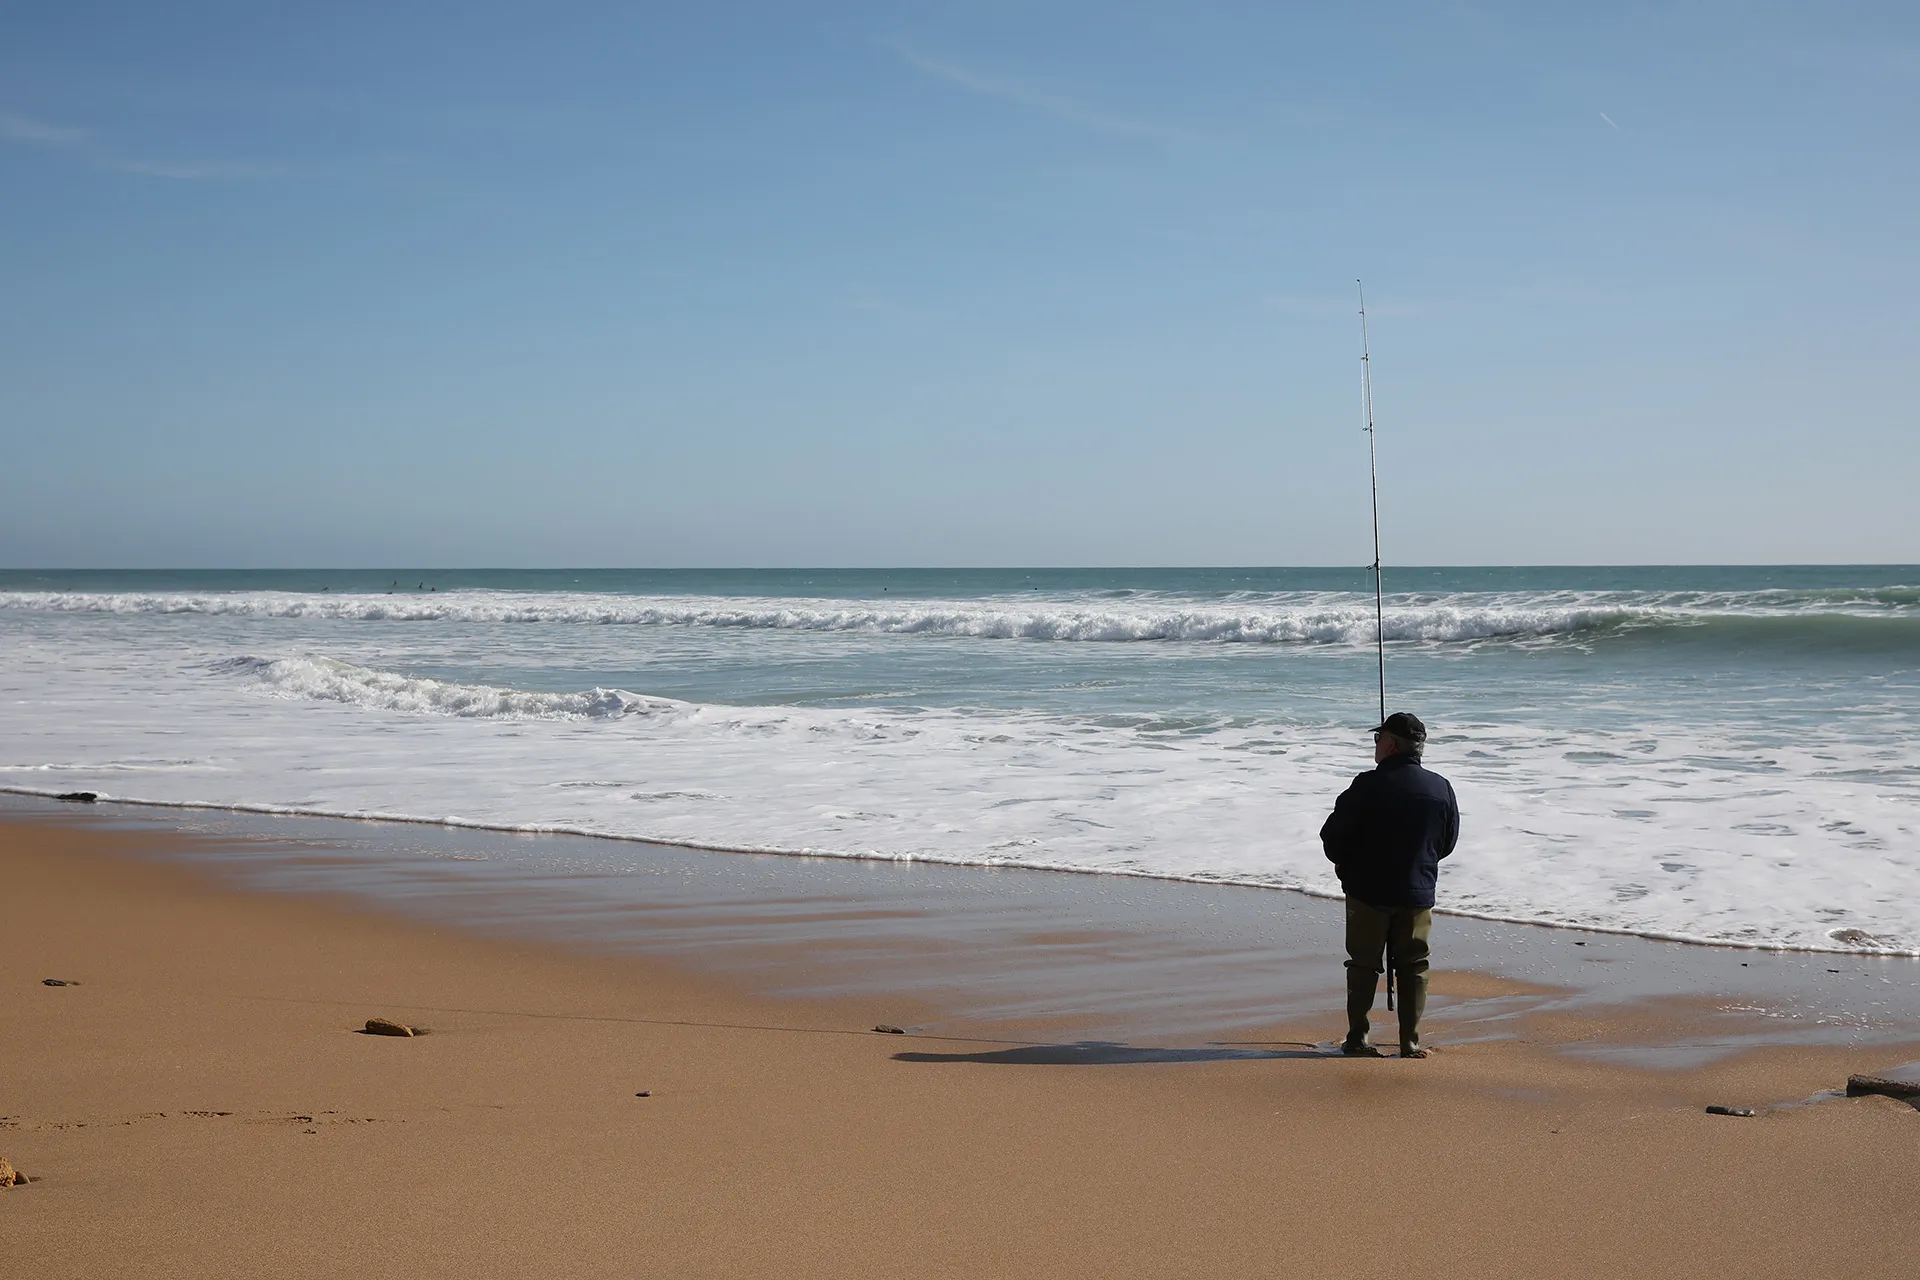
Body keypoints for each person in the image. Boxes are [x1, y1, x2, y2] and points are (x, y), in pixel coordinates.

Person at [1319, 711, 1459, 1058]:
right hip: (1417, 892)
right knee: (1414, 964)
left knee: (1364, 964)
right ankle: (1410, 1042)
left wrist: (1345, 866)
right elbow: (1447, 842)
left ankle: (1357, 1038)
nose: (1376, 744)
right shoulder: (1440, 787)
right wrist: (1419, 866)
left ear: (1391, 744)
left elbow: (1332, 837)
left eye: (1378, 738)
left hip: (1368, 892)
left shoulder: (1366, 785)